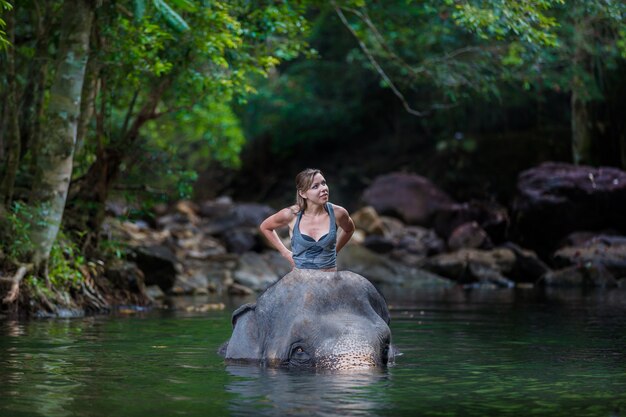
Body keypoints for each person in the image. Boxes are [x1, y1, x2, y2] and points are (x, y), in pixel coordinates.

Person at [259, 168, 355, 271]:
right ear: (303, 193)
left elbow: (349, 229)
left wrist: (335, 251)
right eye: (315, 186)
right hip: (301, 282)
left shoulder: (338, 213)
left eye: (323, 183)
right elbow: (265, 227)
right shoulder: (291, 214)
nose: (323, 188)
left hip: (329, 281)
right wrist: (285, 253)